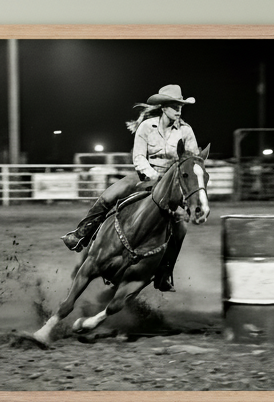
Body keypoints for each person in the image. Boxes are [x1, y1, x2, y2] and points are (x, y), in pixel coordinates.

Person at [61, 84, 200, 292]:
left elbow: (192, 160)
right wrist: (154, 176)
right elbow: (139, 157)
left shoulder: (186, 131)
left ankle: (164, 271)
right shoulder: (146, 127)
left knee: (180, 227)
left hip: (173, 183)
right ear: (163, 107)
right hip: (146, 175)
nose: (178, 109)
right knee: (109, 195)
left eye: (180, 105)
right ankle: (83, 233)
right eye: (174, 105)